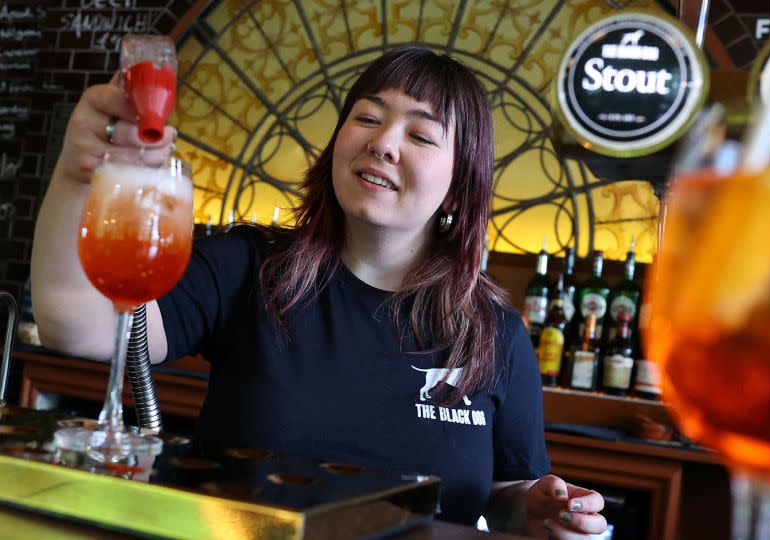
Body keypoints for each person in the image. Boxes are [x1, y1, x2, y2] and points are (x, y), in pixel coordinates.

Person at [32, 44, 606, 537]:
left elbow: (504, 491)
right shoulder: (250, 267)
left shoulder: (494, 334)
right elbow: (76, 324)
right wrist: (78, 171)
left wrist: (533, 508)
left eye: (422, 134)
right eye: (368, 117)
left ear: (460, 189)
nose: (384, 143)